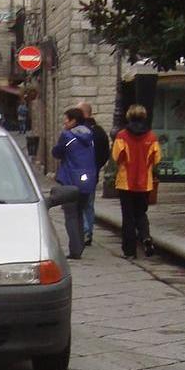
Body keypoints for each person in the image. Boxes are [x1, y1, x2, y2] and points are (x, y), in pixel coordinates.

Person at [112, 104, 160, 259]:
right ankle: (145, 236)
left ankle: (130, 250)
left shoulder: (122, 136)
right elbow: (157, 158)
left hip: (125, 182)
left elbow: (116, 157)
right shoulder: (152, 137)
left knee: (128, 217)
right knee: (141, 213)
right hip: (145, 182)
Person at [52, 108, 97, 259]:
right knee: (79, 212)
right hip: (87, 180)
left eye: (66, 119)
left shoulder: (67, 135)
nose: (64, 122)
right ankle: (80, 244)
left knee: (70, 215)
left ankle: (75, 249)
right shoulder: (90, 135)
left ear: (73, 121)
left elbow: (57, 152)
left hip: (70, 179)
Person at [76, 101, 111, 246]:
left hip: (78, 173)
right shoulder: (100, 131)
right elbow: (105, 153)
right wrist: (96, 167)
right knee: (89, 203)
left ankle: (83, 231)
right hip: (92, 173)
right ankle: (87, 231)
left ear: (83, 113)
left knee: (79, 204)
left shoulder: (78, 131)